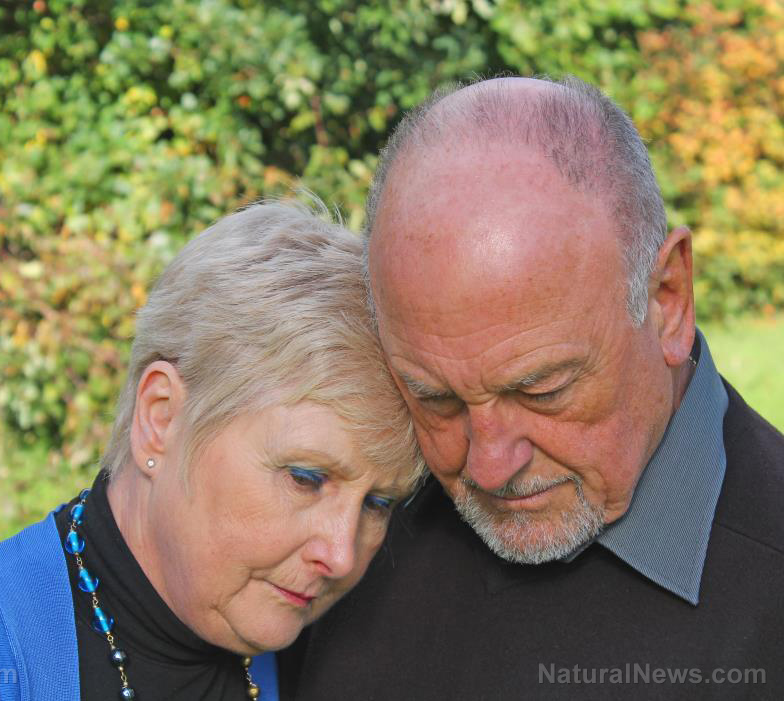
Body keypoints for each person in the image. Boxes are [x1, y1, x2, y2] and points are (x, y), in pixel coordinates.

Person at [280, 76, 784, 698]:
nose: (489, 467)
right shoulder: (343, 534)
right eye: (437, 400)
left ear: (668, 301)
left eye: (543, 391)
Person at [0, 201, 426, 700]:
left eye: (378, 503)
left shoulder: (349, 652)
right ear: (160, 417)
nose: (341, 554)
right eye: (306, 477)